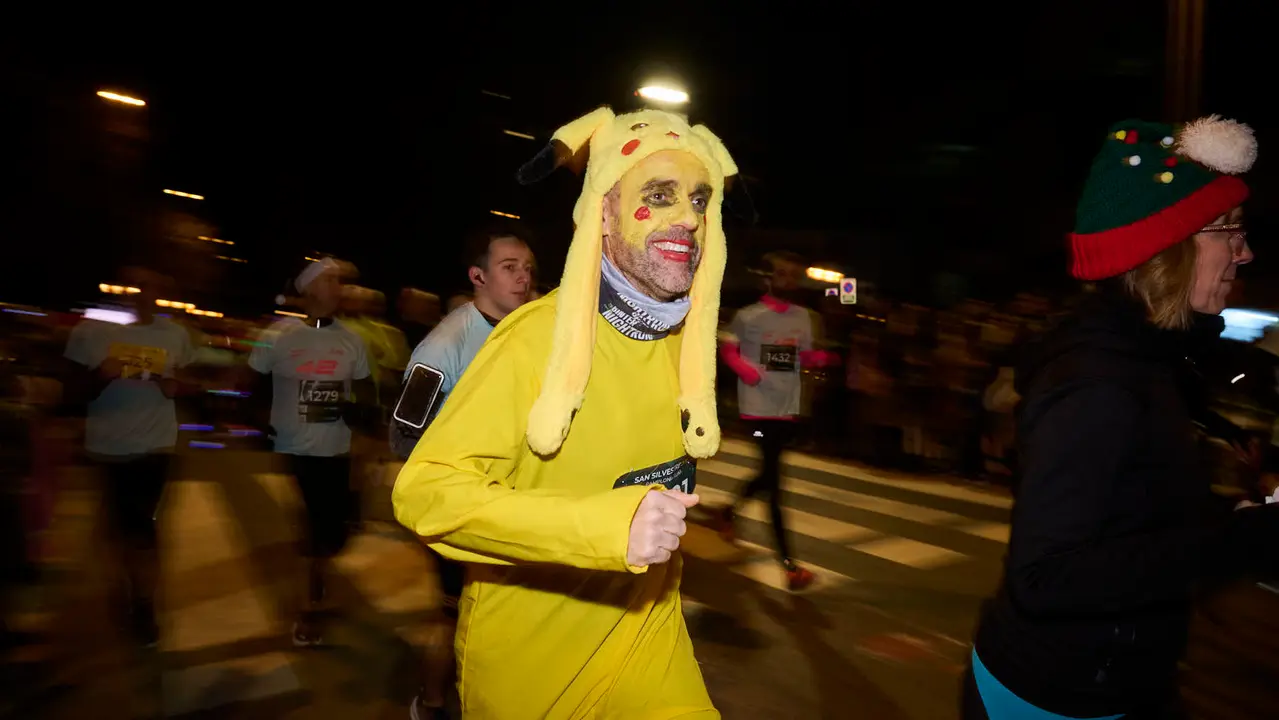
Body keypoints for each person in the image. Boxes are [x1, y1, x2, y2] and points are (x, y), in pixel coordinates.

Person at [393, 106, 736, 719]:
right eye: (657, 195)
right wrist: (607, 529)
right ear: (603, 212)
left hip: (648, 641)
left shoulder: (689, 351)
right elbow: (425, 493)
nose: (687, 217)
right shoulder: (533, 341)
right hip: (534, 667)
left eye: (700, 199)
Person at [966, 116, 1279, 719]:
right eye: (1230, 232)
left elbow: (1134, 512)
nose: (1246, 251)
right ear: (1170, 247)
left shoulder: (1148, 359)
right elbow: (1047, 576)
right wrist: (1236, 542)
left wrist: (1230, 517)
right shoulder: (1097, 381)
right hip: (1056, 701)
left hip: (1122, 683)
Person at [393, 221, 536, 719]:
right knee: (456, 614)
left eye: (527, 269)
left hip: (516, 501)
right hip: (464, 507)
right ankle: (431, 704)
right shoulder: (444, 346)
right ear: (479, 275)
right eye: (509, 268)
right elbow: (404, 431)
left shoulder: (530, 329)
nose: (523, 278)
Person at [63, 266, 194, 647]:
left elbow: (185, 381)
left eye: (154, 287)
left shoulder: (175, 335)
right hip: (107, 448)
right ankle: (125, 586)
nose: (145, 294)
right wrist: (100, 376)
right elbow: (69, 390)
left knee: (144, 529)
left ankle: (144, 606)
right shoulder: (92, 330)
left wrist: (176, 385)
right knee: (117, 532)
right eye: (138, 286)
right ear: (124, 290)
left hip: (155, 447)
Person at [248, 257, 374, 647]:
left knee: (329, 534)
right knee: (314, 530)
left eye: (339, 280)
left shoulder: (352, 340)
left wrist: (357, 415)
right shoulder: (278, 335)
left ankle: (316, 579)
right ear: (309, 290)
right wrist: (259, 422)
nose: (339, 287)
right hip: (293, 446)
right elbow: (251, 384)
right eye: (331, 280)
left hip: (335, 449)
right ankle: (310, 605)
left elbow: (367, 396)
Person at [716, 251, 838, 590]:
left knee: (768, 475)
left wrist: (823, 358)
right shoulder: (749, 316)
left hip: (788, 409)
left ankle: (728, 510)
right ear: (769, 278)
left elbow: (806, 356)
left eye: (793, 275)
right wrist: (751, 373)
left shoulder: (806, 318)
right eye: (782, 274)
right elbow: (728, 350)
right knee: (775, 483)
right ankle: (789, 566)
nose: (788, 280)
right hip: (756, 411)